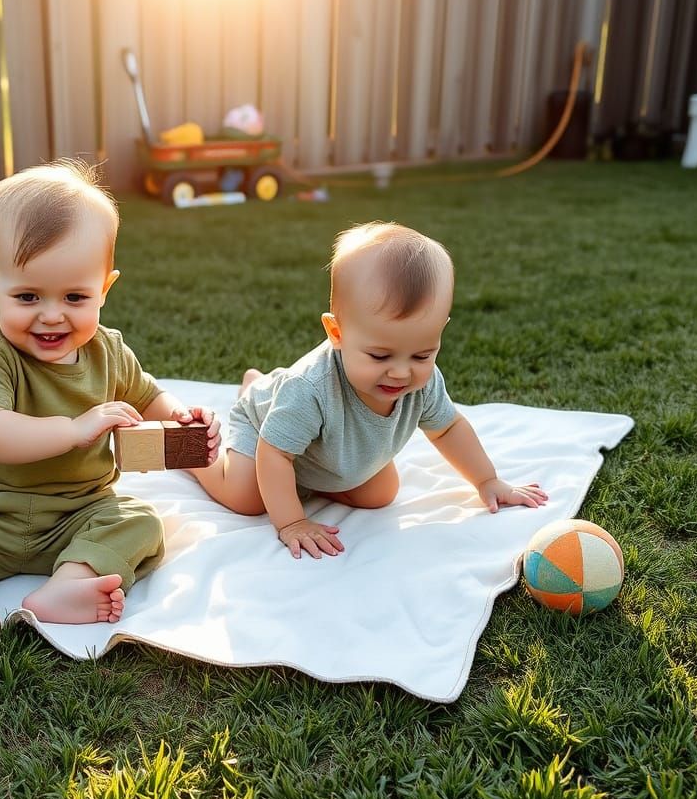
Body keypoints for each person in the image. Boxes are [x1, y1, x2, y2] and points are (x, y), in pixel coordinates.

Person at [0, 160, 219, 659]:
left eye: (76, 296)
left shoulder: (109, 351)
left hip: (78, 511)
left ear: (105, 287)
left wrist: (181, 418)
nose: (52, 315)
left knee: (139, 522)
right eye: (28, 295)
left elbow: (147, 398)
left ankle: (70, 582)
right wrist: (76, 429)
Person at [190, 221, 547, 559]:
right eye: (380, 355)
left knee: (381, 493)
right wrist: (292, 522)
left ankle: (298, 459)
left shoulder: (423, 382)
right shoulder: (309, 389)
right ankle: (206, 442)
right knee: (248, 499)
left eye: (423, 353)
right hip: (267, 434)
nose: (401, 372)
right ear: (337, 333)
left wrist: (487, 480)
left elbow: (448, 428)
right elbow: (274, 454)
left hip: (316, 452)